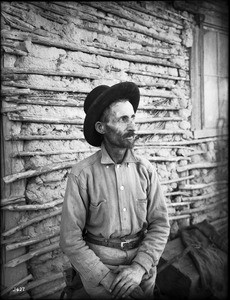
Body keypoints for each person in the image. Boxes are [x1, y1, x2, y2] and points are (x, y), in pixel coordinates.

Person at [60, 81, 170, 299]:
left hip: (142, 268)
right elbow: (70, 239)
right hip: (101, 270)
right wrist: (109, 281)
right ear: (101, 127)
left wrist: (139, 268)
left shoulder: (145, 170)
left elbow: (160, 224)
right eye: (123, 119)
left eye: (133, 118)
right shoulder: (82, 175)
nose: (132, 126)